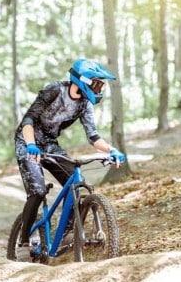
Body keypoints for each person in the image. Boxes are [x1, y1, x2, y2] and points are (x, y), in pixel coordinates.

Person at [14, 58, 126, 262]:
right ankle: (23, 240)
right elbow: (28, 119)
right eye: (97, 83)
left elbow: (93, 136)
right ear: (83, 80)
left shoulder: (84, 105)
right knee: (38, 191)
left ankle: (64, 233)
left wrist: (112, 149)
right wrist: (30, 145)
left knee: (75, 183)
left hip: (49, 143)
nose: (100, 87)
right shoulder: (55, 90)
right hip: (27, 140)